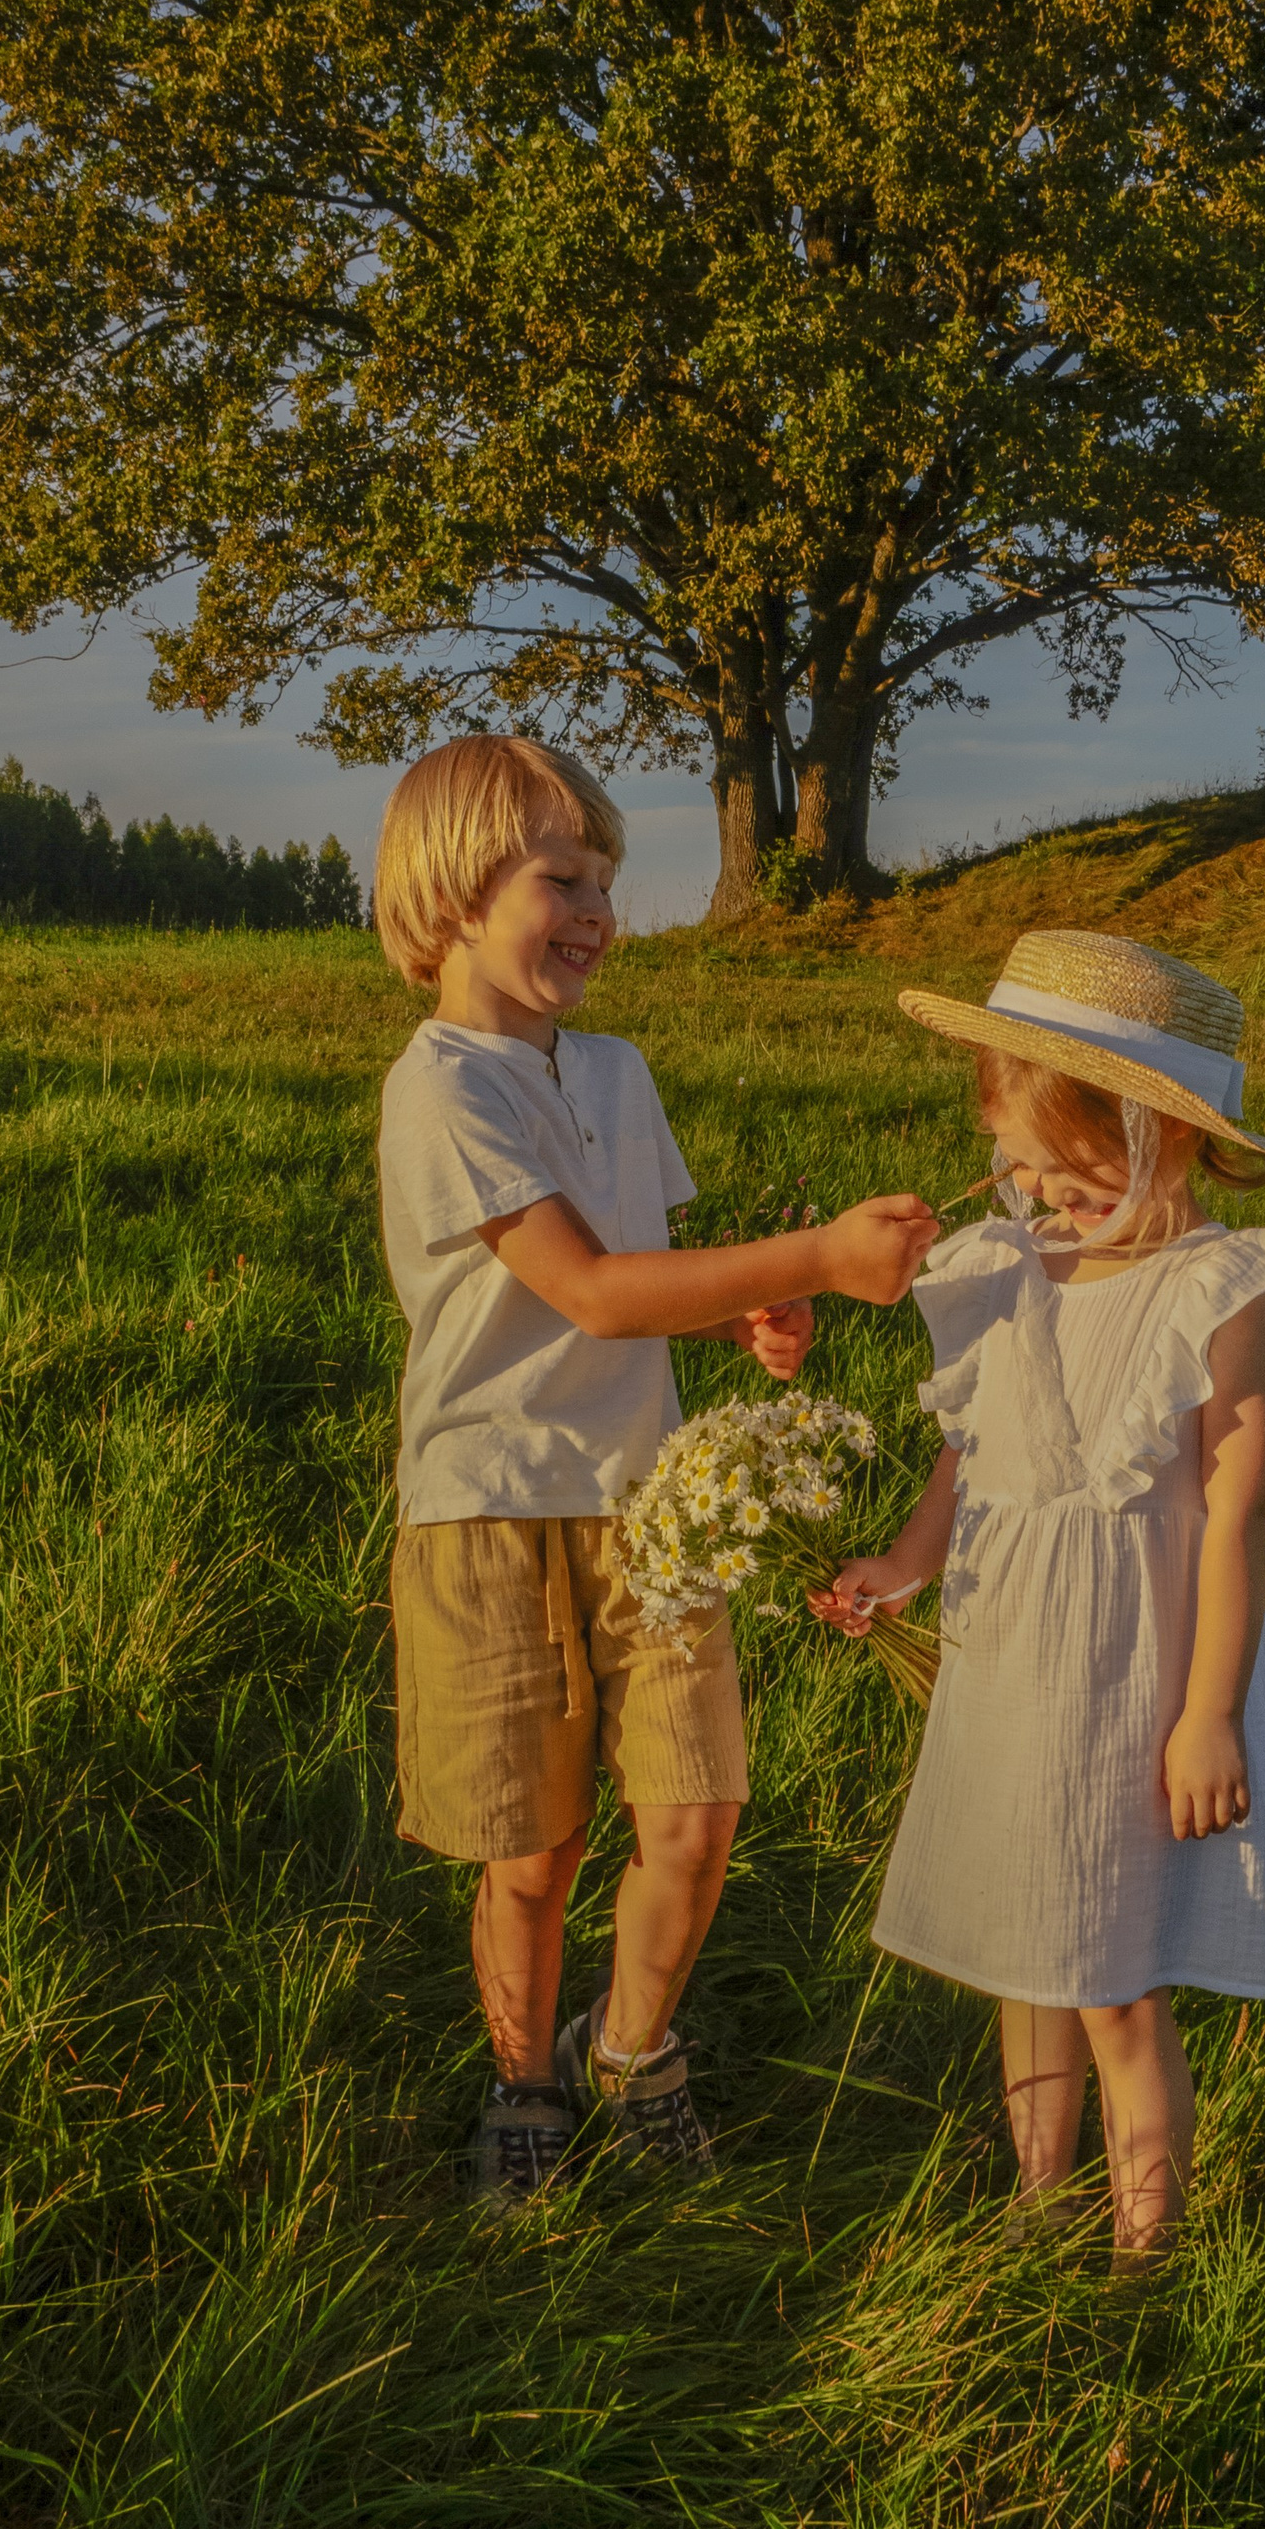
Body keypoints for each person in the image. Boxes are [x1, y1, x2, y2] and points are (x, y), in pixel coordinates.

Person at [373, 733, 937, 2211]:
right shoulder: (442, 1087)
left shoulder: (616, 1070)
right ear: (449, 893)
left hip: (654, 1502)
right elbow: (596, 1290)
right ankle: (523, 2086)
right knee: (536, 1844)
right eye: (562, 878)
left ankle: (631, 2052)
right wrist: (818, 1251)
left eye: (607, 884)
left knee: (693, 1807)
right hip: (490, 1506)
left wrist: (760, 1306)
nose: (597, 914)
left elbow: (663, 1274)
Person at [814, 928, 1265, 2269]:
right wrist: (907, 1563)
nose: (1034, 1187)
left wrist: (1208, 1712)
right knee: (1023, 1947)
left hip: (1133, 1680)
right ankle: (1039, 2202)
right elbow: (976, 1447)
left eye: (1070, 1160)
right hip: (1010, 1654)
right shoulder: (1010, 1267)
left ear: (1163, 1133)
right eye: (1017, 1159)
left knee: (1111, 1974)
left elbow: (1237, 1511)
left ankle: (1146, 2253)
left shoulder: (1224, 1287)